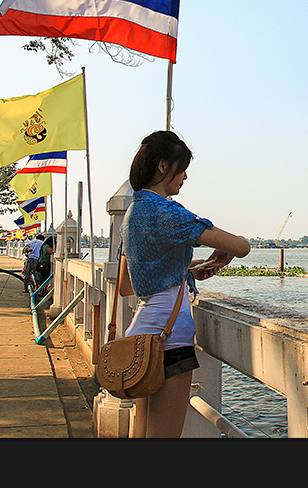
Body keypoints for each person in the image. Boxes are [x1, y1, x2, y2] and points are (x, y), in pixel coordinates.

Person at [121, 130, 250, 438]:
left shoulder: (133, 212)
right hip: (169, 339)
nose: (186, 176)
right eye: (182, 167)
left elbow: (128, 284)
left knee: (142, 432)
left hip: (141, 336)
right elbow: (241, 246)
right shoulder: (166, 211)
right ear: (164, 166)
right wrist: (235, 246)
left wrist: (186, 270)